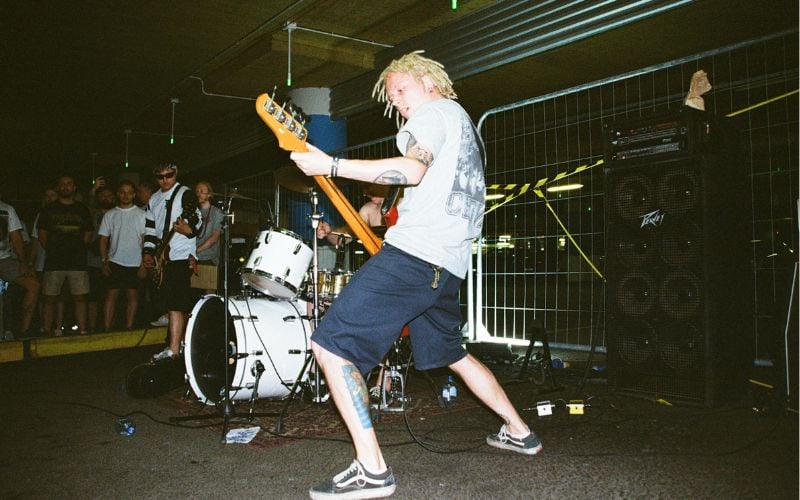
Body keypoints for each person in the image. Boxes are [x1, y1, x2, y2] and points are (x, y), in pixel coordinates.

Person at [290, 52, 541, 499]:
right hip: (448, 267)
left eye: (401, 90)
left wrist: (330, 165)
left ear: (427, 80)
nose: (399, 103)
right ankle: (519, 430)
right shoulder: (465, 128)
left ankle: (372, 470)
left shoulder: (430, 117)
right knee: (454, 354)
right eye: (392, 100)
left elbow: (411, 169)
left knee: (331, 344)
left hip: (415, 257)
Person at [142, 163, 201, 362]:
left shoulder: (185, 194)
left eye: (169, 175)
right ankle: (178, 345)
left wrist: (189, 229)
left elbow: (196, 221)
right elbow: (151, 228)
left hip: (181, 256)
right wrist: (149, 252)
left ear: (176, 173)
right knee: (170, 304)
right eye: (161, 177)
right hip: (163, 256)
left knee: (176, 304)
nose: (165, 180)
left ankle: (174, 349)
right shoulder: (154, 198)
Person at [38, 175, 94, 336]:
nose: (65, 186)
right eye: (62, 184)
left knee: (80, 298)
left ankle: (83, 330)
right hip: (54, 261)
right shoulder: (49, 209)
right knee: (49, 298)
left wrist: (79, 249)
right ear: (58, 187)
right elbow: (42, 235)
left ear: (74, 187)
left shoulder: (82, 209)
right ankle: (47, 332)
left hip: (77, 262)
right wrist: (54, 249)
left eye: (69, 183)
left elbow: (89, 233)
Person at [98, 180, 146, 331]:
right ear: (118, 194)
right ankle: (106, 329)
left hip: (135, 262)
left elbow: (146, 241)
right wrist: (104, 260)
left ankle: (129, 327)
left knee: (132, 296)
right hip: (114, 261)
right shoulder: (110, 214)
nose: (126, 195)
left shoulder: (142, 214)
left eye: (129, 192)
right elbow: (103, 239)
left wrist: (144, 264)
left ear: (134, 195)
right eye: (122, 192)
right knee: (111, 295)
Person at [0, 198, 40, 337]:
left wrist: (24, 263)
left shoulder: (7, 209)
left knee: (33, 285)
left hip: (4, 259)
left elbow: (16, 238)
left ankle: (24, 331)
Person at [87, 181, 115, 332]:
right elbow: (88, 207)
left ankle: (109, 327)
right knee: (92, 297)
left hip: (114, 261)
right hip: (93, 261)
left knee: (111, 295)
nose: (106, 198)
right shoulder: (93, 213)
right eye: (103, 195)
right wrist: (93, 190)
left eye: (109, 196)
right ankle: (91, 327)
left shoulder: (117, 213)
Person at [192, 181, 224, 294]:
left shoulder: (217, 212)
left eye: (201, 191)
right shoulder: (194, 213)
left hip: (208, 258)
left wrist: (196, 250)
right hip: (193, 258)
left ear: (209, 194)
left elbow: (214, 238)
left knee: (208, 294)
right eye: (197, 191)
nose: (198, 194)